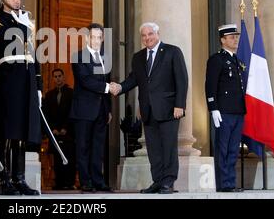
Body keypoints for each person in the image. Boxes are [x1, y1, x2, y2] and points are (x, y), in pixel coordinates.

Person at [0, 0, 42, 196]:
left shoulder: (26, 22)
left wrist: (38, 85)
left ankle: (19, 178)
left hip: (27, 79)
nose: (17, 0)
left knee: (22, 132)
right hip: (9, 78)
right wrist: (20, 23)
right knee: (8, 131)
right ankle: (6, 179)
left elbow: (34, 54)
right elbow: (3, 43)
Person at [112, 22, 188, 194]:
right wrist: (120, 87)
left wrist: (180, 105)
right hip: (148, 110)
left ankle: (168, 181)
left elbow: (182, 80)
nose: (147, 38)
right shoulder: (138, 57)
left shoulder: (172, 52)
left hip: (170, 109)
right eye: (144, 36)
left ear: (158, 34)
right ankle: (158, 181)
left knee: (168, 147)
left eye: (150, 34)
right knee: (153, 149)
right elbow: (134, 79)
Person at [70, 23, 114, 193]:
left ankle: (98, 181)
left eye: (99, 37)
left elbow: (105, 83)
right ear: (87, 38)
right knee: (83, 147)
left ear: (102, 38)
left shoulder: (105, 58)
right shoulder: (78, 56)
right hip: (83, 110)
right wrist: (108, 87)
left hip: (101, 110)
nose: (96, 40)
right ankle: (85, 181)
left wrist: (108, 109)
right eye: (93, 37)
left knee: (98, 147)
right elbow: (85, 80)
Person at [205, 24, 246, 192]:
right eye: (231, 37)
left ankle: (230, 182)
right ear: (222, 40)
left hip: (237, 111)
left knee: (233, 148)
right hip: (223, 112)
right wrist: (213, 108)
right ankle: (223, 184)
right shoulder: (217, 59)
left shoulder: (237, 60)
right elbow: (210, 85)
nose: (235, 39)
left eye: (236, 37)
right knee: (222, 148)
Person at [43, 68, 76, 190]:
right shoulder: (49, 95)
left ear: (64, 77)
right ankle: (59, 183)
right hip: (55, 133)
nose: (57, 79)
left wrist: (66, 128)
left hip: (68, 133)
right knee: (57, 159)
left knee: (70, 158)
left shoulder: (71, 93)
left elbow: (73, 112)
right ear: (53, 79)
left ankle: (69, 182)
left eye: (59, 76)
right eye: (55, 76)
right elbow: (46, 114)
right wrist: (53, 129)